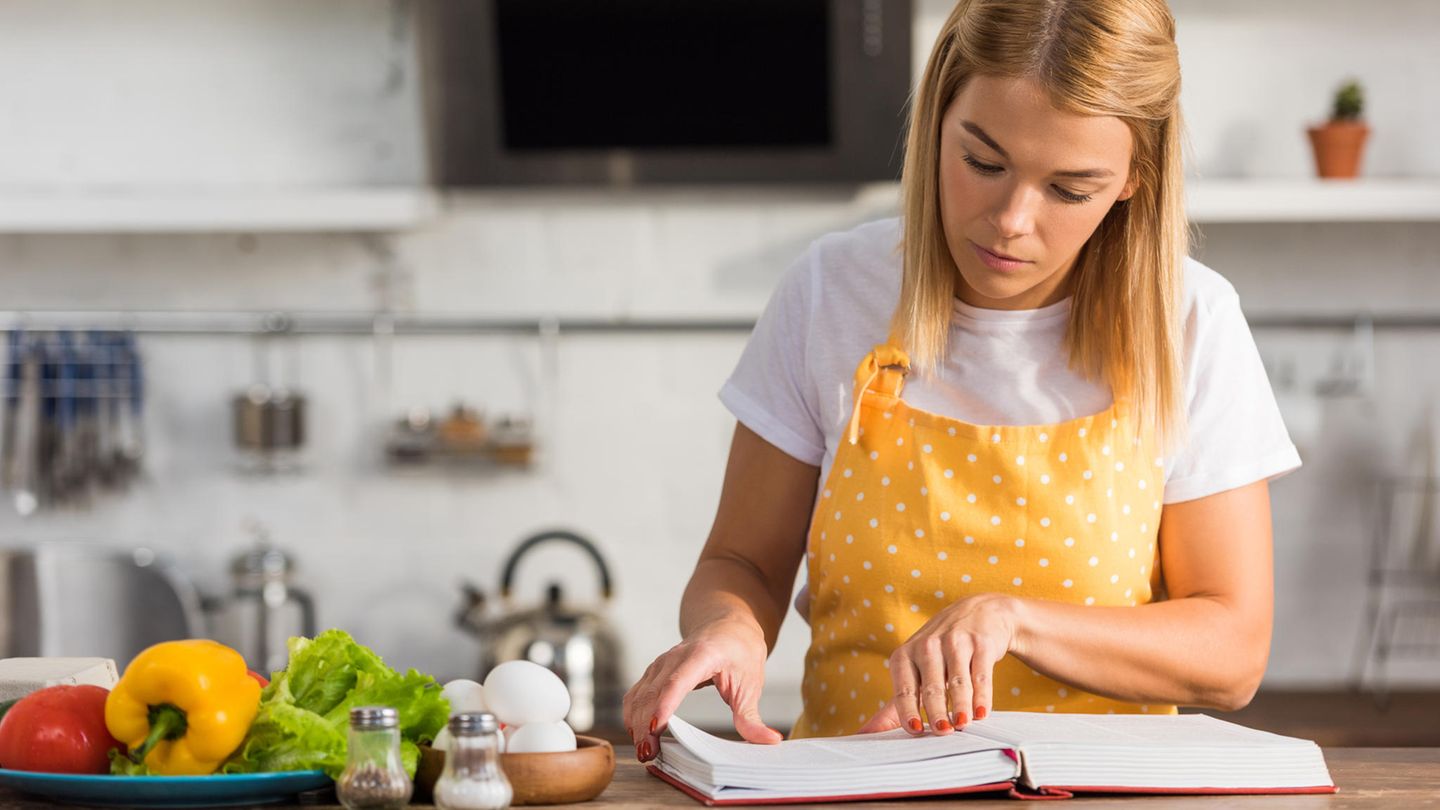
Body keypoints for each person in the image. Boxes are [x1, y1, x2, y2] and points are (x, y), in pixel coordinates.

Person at [624, 0, 1298, 761]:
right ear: (938, 116)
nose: (1012, 218)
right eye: (983, 162)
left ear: (1134, 180)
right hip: (851, 783)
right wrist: (731, 631)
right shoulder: (830, 293)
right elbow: (742, 563)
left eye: (1070, 190)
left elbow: (1233, 651)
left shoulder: (1191, 321)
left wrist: (1016, 620)